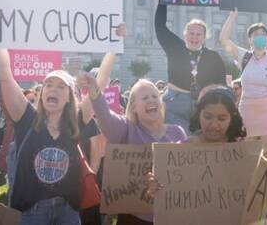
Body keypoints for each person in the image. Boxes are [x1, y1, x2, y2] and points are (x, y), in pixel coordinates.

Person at [0, 4, 94, 225]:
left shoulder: (74, 122)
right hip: (31, 212)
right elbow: (6, 75)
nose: (52, 89)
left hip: (68, 211)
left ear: (69, 97)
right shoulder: (26, 118)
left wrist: (115, 47)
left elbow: (99, 86)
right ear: (41, 92)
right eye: (48, 85)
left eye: (60, 87)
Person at [79, 51, 187, 225]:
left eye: (155, 96)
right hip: (134, 219)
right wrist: (93, 88)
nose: (152, 100)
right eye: (145, 98)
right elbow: (103, 113)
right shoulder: (125, 129)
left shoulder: (177, 132)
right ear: (134, 107)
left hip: (171, 217)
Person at [219, 9, 267, 164]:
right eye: (256, 35)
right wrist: (232, 16)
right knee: (247, 156)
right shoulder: (243, 56)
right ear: (250, 40)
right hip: (247, 111)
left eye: (263, 35)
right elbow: (223, 39)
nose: (260, 37)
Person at [154, 0, 226, 132]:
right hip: (175, 104)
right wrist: (162, 0)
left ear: (205, 37)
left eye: (199, 34)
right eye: (191, 33)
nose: (194, 37)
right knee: (176, 145)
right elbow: (160, 26)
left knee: (200, 146)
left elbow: (222, 84)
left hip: (204, 106)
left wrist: (208, 89)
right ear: (185, 34)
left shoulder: (213, 56)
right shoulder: (174, 47)